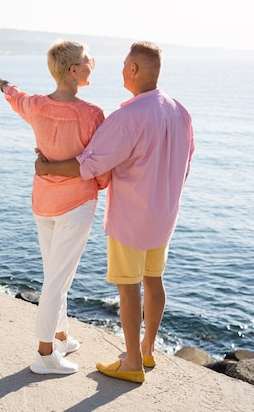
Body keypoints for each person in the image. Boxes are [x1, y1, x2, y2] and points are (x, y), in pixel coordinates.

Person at [35, 41, 195, 383]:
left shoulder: (127, 117)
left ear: (134, 70)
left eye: (124, 64)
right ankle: (148, 349)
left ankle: (132, 364)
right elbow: (186, 164)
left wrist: (46, 166)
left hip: (131, 219)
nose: (121, 69)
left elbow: (88, 165)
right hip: (164, 217)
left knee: (129, 289)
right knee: (154, 281)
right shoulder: (180, 110)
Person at [0, 40, 110, 375]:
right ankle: (44, 356)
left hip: (43, 202)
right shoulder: (91, 114)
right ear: (74, 71)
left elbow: (15, 95)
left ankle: (61, 336)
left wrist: (1, 83)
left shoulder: (36, 106)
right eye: (89, 60)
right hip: (75, 205)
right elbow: (100, 164)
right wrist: (98, 188)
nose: (93, 64)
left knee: (55, 274)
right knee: (57, 281)